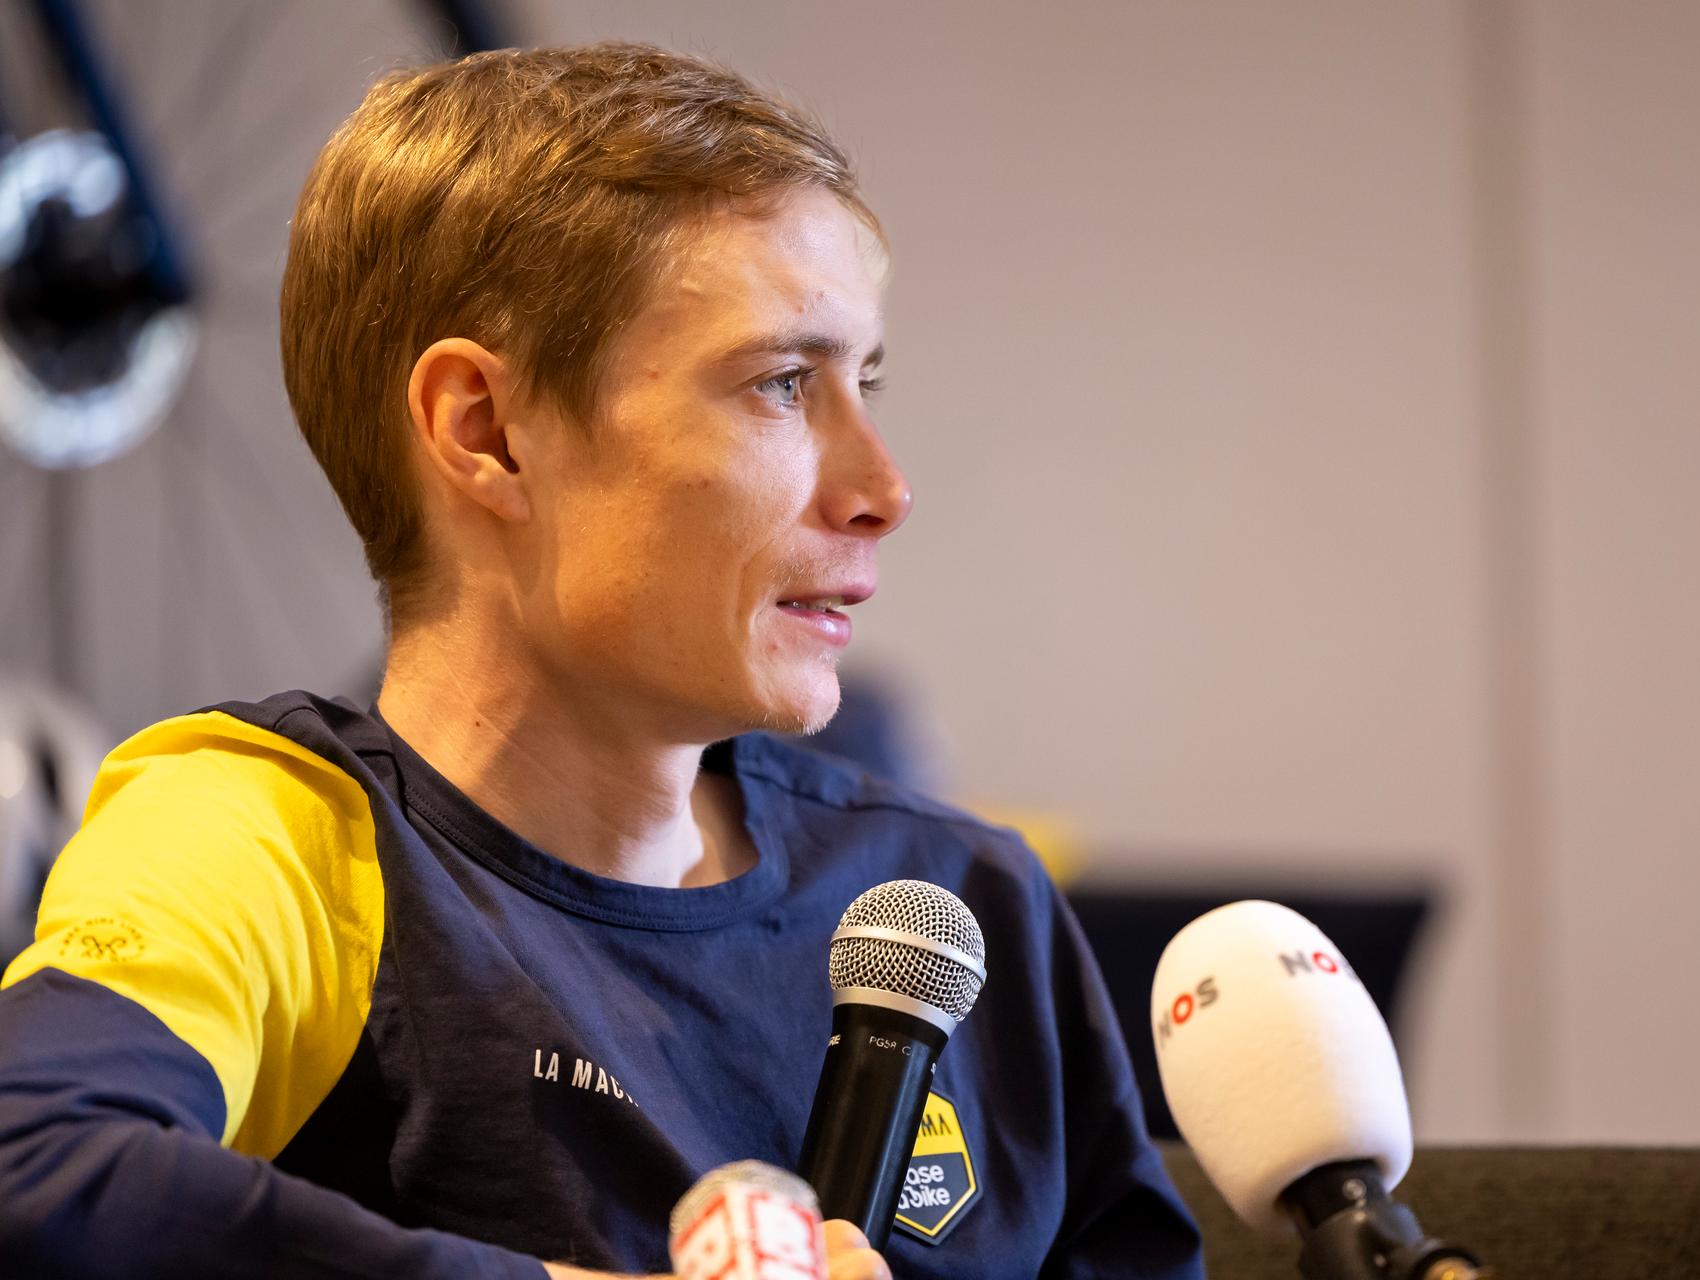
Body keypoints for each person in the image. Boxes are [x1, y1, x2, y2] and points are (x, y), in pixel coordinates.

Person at [0, 42, 1204, 1280]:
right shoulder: (276, 836)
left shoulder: (961, 900)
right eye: (784, 383)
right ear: (487, 432)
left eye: (866, 380)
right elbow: (30, 1163)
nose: (883, 490)